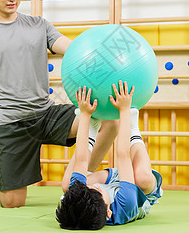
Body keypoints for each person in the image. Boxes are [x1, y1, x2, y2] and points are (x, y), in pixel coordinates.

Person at [0, 0, 117, 208]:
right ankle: (7, 180)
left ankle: (78, 178)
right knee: (12, 201)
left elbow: (72, 49)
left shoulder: (38, 25)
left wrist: (101, 54)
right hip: (10, 124)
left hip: (46, 114)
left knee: (111, 120)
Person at [56, 81, 163, 229]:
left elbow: (81, 160)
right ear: (108, 212)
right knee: (143, 178)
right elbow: (123, 155)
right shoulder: (126, 203)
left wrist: (85, 115)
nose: (93, 186)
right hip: (137, 190)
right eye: (99, 189)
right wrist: (124, 111)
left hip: (112, 180)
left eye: (90, 187)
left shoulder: (79, 196)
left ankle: (93, 129)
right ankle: (134, 129)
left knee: (68, 185)